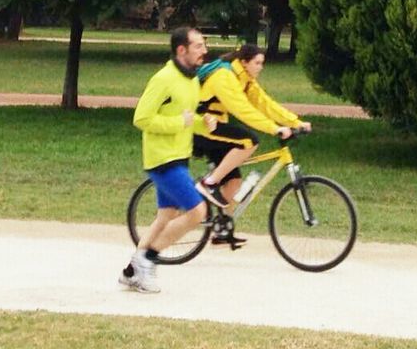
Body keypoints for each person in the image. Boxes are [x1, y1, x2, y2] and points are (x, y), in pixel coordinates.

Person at [118, 26, 216, 293]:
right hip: (162, 159)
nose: (204, 51)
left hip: (179, 156)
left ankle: (130, 273)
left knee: (164, 218)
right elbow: (142, 118)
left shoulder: (192, 80)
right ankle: (147, 260)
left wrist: (204, 123)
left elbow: (185, 120)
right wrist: (179, 122)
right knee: (198, 212)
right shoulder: (163, 79)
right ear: (181, 50)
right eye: (198, 46)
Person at [192, 43, 312, 245]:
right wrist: (275, 129)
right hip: (201, 127)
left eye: (262, 63)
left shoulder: (246, 79)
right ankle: (208, 183)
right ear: (244, 62)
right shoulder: (225, 76)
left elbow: (266, 104)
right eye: (257, 63)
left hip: (216, 128)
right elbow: (243, 110)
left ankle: (221, 228)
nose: (261, 67)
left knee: (234, 182)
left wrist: (295, 122)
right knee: (249, 141)